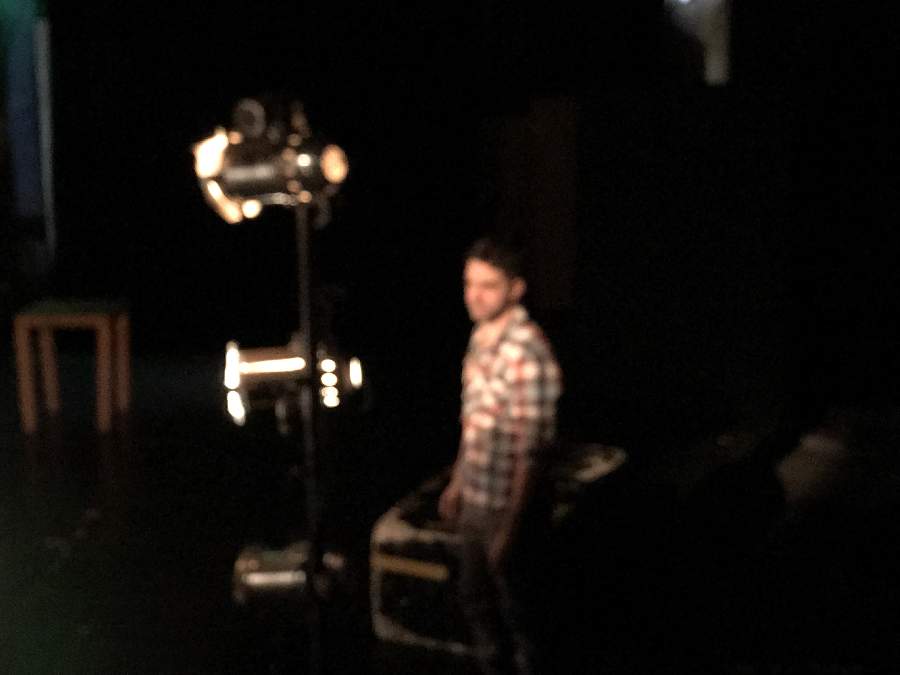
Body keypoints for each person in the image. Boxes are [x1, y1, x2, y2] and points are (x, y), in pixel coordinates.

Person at [439, 238, 562, 674]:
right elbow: (474, 420)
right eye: (469, 283)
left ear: (515, 289)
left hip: (510, 507)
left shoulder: (528, 353)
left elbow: (533, 452)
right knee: (474, 596)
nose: (474, 295)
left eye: (488, 286)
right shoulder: (480, 336)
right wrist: (457, 483)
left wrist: (510, 526)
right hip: (477, 496)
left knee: (521, 609)